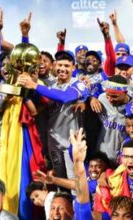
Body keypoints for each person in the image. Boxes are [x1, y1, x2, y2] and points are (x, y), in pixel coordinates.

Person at [17, 50, 89, 180]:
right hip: (53, 141)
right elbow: (39, 105)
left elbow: (64, 97)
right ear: (55, 66)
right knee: (59, 179)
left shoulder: (79, 84)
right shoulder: (51, 85)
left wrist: (34, 85)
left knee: (75, 181)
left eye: (67, 66)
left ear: (73, 67)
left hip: (71, 142)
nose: (62, 69)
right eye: (60, 65)